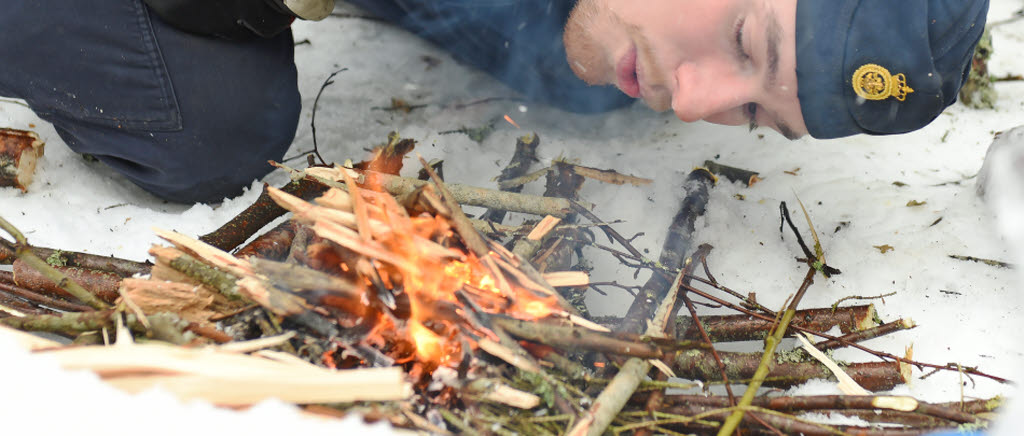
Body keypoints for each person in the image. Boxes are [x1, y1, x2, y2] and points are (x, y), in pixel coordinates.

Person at [0, 0, 989, 204]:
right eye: (744, 43)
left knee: (209, 133)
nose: (692, 102)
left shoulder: (610, 82)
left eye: (755, 117)